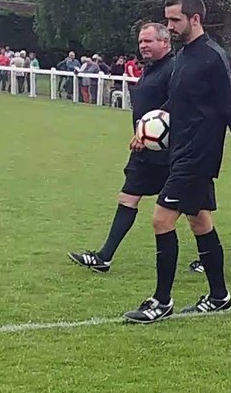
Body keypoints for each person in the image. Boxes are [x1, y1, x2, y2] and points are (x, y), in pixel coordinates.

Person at [123, 0, 231, 323]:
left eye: (175, 21)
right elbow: (177, 102)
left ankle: (161, 301)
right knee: (199, 221)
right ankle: (219, 296)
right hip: (179, 150)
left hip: (198, 155)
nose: (169, 27)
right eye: (167, 21)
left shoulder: (214, 57)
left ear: (195, 19)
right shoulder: (183, 56)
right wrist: (147, 129)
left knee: (161, 219)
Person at [70, 23, 175, 273]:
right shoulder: (151, 69)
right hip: (144, 150)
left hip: (170, 152)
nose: (143, 46)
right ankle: (104, 257)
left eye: (148, 41)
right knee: (128, 197)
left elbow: (177, 104)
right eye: (141, 41)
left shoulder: (174, 69)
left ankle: (208, 257)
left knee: (194, 208)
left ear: (165, 42)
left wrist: (147, 133)